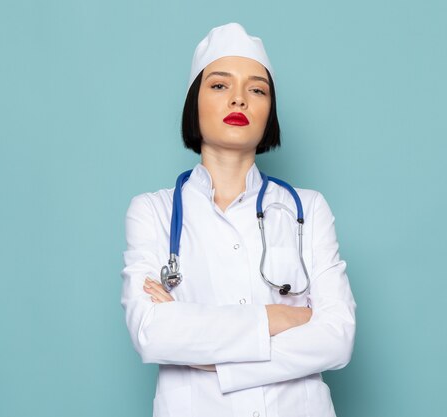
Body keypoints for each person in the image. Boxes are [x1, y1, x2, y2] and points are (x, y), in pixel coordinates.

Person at [121, 22, 356, 417]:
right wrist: (278, 317)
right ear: (193, 101)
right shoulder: (153, 212)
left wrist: (206, 352)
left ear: (270, 110)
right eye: (219, 85)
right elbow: (153, 332)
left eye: (257, 89)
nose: (239, 100)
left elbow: (337, 338)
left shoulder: (308, 209)